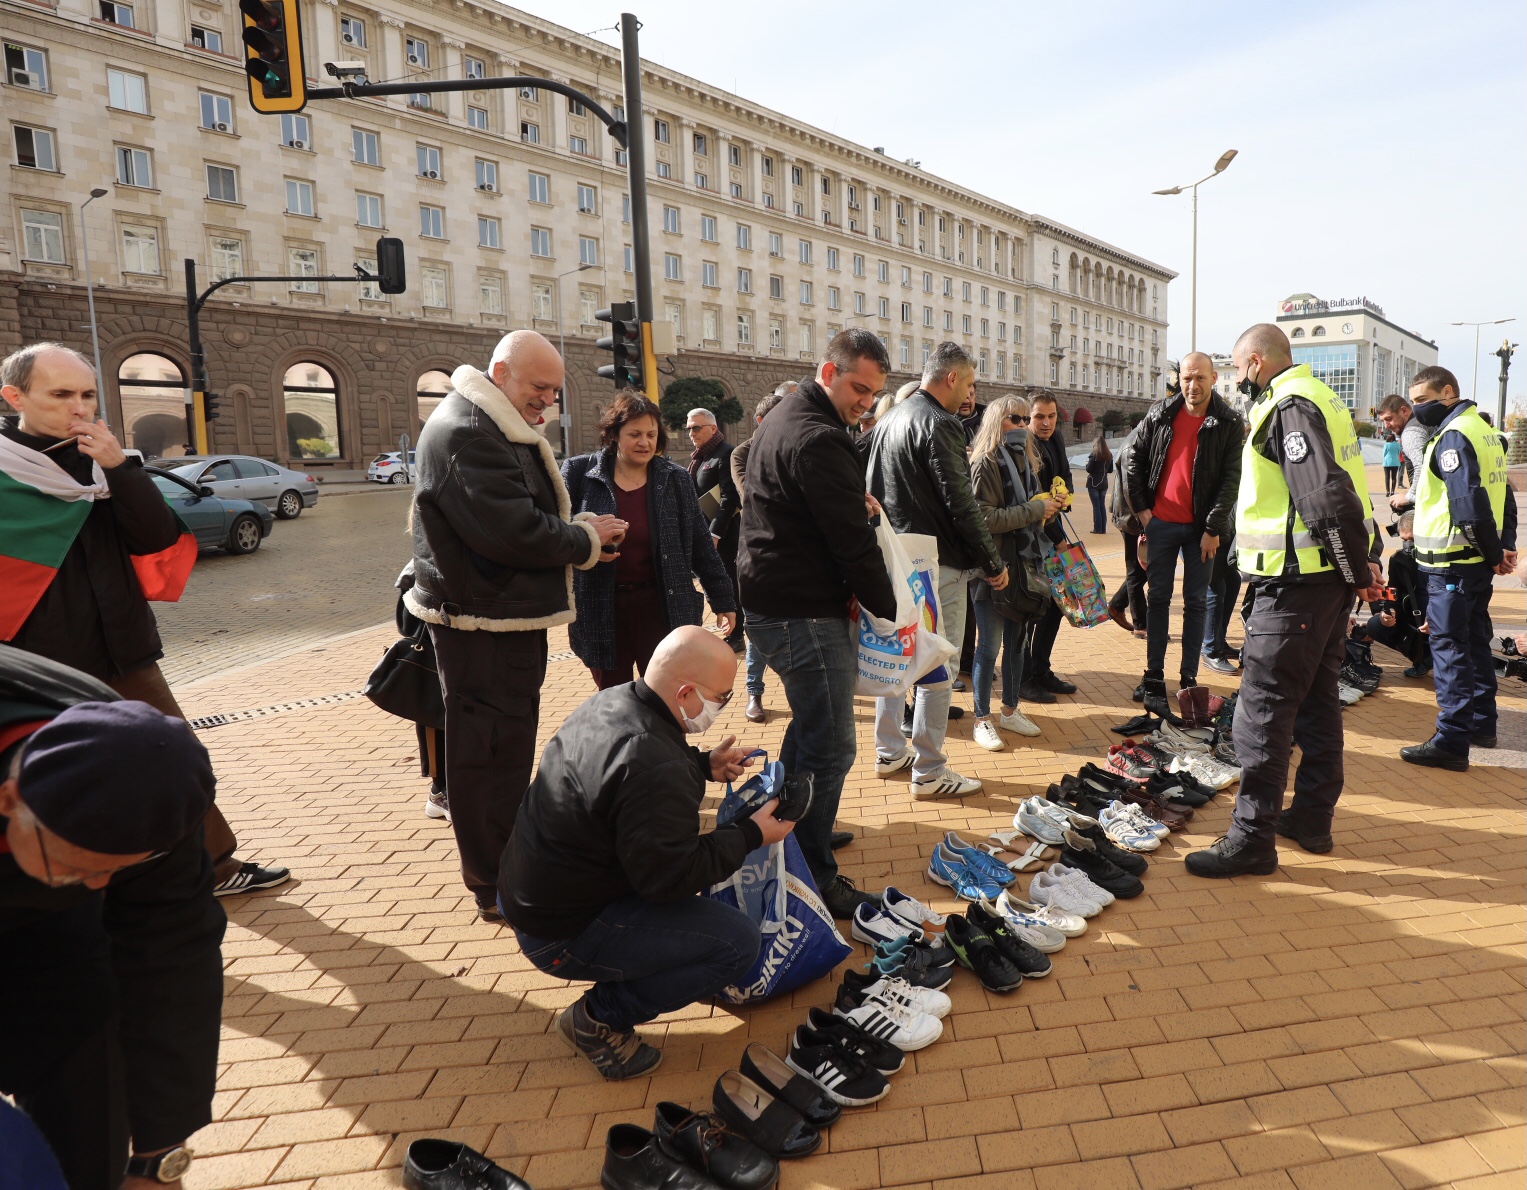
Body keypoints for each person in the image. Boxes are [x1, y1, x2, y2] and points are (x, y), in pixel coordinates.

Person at [0, 342, 287, 899]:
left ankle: (217, 868)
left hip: (121, 649)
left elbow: (158, 538)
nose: (79, 408)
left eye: (87, 395)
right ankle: (74, 882)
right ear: (15, 397)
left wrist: (118, 468)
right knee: (53, 776)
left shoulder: (104, 463)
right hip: (39, 660)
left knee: (172, 759)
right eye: (61, 395)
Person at [499, 626, 789, 1080]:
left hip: (532, 897)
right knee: (737, 943)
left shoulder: (612, 702)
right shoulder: (655, 763)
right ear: (686, 691)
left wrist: (700, 764)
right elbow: (669, 880)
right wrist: (751, 835)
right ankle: (598, 1019)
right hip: (559, 932)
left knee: (703, 925)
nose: (723, 707)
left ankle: (642, 970)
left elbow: (624, 781)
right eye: (723, 697)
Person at [407, 330, 628, 921]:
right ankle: (495, 884)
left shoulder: (479, 421)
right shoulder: (468, 431)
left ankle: (505, 869)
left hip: (494, 618)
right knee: (491, 758)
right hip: (484, 624)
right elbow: (512, 532)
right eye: (539, 387)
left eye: (554, 391)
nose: (546, 402)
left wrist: (579, 531)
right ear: (501, 372)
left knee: (499, 753)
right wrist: (586, 537)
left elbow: (515, 518)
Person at [0, 649, 224, 1190]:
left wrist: (158, 1158)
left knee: (86, 1041)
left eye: (115, 871)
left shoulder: (150, 782)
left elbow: (173, 963)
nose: (101, 886)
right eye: (79, 866)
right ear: (11, 799)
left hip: (42, 917)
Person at [1185, 324, 1382, 878]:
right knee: (1317, 703)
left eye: (1236, 367)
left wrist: (1356, 570)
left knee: (1263, 712)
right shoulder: (1323, 400)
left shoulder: (1288, 408)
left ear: (1253, 362)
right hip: (1319, 586)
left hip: (1294, 588)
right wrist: (1361, 567)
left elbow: (1324, 498)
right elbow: (1351, 493)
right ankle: (1312, 818)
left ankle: (1252, 837)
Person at [738, 329, 899, 917]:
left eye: (874, 392)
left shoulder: (790, 416)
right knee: (831, 745)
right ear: (828, 372)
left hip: (781, 603)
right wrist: (893, 610)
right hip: (799, 611)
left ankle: (794, 828)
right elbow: (852, 546)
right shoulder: (816, 436)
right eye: (859, 387)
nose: (865, 401)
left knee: (810, 732)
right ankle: (812, 872)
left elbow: (807, 508)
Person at [866, 341, 1008, 798]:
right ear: (951, 378)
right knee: (936, 663)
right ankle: (928, 768)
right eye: (969, 382)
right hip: (933, 563)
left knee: (897, 656)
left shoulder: (889, 418)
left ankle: (890, 750)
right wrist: (991, 560)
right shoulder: (939, 423)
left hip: (893, 555)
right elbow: (961, 503)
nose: (970, 391)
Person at [563, 392, 737, 688]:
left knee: (665, 699)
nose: (644, 442)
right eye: (634, 434)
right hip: (600, 609)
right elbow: (557, 532)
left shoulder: (675, 478)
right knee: (614, 702)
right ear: (614, 435)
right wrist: (587, 541)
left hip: (661, 607)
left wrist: (722, 599)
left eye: (651, 434)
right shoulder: (580, 473)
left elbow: (700, 543)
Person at [1397, 367, 1517, 770]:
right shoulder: (1484, 432)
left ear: (1448, 392)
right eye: (1413, 402)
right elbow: (1505, 498)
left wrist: (1493, 552)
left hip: (1451, 565)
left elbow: (1467, 502)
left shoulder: (1453, 437)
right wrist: (1501, 548)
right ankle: (1482, 724)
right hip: (1474, 566)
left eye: (1423, 400)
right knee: (1477, 642)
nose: (1417, 409)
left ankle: (1451, 740)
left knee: (1449, 648)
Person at [1125, 351, 1244, 714]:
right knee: (1158, 601)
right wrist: (1144, 511)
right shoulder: (1160, 414)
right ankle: (1154, 676)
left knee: (1195, 603)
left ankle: (1189, 678)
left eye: (1200, 379)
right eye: (1186, 378)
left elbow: (1230, 482)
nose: (1192, 386)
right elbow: (1134, 458)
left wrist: (1213, 528)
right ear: (1179, 378)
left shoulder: (1228, 422)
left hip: (1201, 531)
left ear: (1212, 379)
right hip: (1160, 524)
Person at [966, 397, 1062, 750]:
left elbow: (1024, 513)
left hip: (1023, 567)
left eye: (1025, 419)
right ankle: (981, 717)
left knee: (1017, 645)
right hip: (993, 568)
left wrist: (1044, 511)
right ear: (996, 421)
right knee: (988, 648)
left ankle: (1009, 709)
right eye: (1015, 419)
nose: (1023, 425)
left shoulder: (1027, 461)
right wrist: (1032, 509)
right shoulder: (986, 462)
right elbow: (984, 519)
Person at [730, 384, 791, 724]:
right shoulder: (742, 453)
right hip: (756, 553)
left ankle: (794, 689)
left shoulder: (791, 447)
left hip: (792, 555)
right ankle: (754, 692)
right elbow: (748, 497)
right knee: (756, 627)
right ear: (758, 421)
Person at [1020, 391, 1079, 703]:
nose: (1045, 423)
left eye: (1051, 416)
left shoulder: (1055, 439)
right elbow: (1032, 497)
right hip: (1032, 539)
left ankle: (1041, 669)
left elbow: (1064, 477)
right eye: (1039, 416)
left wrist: (1064, 495)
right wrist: (1058, 538)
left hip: (1051, 533)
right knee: (1031, 608)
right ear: (1029, 417)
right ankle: (1024, 677)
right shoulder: (1025, 446)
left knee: (1056, 605)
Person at [684, 407, 744, 651]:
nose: (691, 433)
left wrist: (715, 533)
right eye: (688, 428)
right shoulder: (699, 457)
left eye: (696, 427)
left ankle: (737, 634)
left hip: (725, 536)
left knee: (729, 582)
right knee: (716, 582)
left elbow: (731, 499)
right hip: (705, 533)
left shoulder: (725, 454)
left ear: (713, 428)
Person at [1350, 511, 1431, 677]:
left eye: (1413, 540)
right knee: (1375, 625)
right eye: (1404, 540)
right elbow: (1392, 591)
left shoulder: (1443, 558)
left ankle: (1438, 659)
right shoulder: (1399, 560)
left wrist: (1437, 616)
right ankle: (1422, 657)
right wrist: (1389, 612)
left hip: (1442, 616)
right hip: (1416, 622)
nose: (1408, 546)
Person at [1106, 418, 1149, 642]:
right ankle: (1141, 624)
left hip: (1129, 516)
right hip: (1131, 518)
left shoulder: (1138, 437)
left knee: (1140, 570)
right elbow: (1131, 488)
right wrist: (1143, 520)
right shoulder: (1136, 443)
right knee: (1137, 570)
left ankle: (1116, 605)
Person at [1376, 393, 1432, 502]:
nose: (1386, 425)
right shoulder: (1422, 421)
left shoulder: (1410, 432)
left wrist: (1408, 497)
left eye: (1389, 418)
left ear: (1404, 411)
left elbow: (1422, 467)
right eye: (1383, 421)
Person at [1084, 436, 1114, 534]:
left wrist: (1086, 464)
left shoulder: (1094, 455)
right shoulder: (1109, 455)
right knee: (1102, 506)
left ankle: (1097, 529)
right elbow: (1110, 470)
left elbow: (1089, 469)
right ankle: (1103, 529)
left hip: (1093, 483)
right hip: (1104, 483)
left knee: (1096, 507)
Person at [1381, 431, 1402, 497]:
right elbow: (1399, 452)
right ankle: (1392, 491)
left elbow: (1384, 453)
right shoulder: (1397, 445)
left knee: (1387, 477)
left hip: (1387, 462)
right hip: (1395, 462)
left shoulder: (1386, 445)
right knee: (1394, 477)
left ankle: (1387, 491)